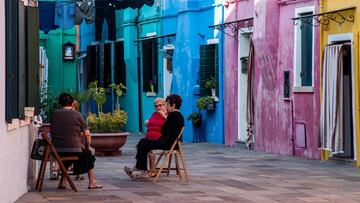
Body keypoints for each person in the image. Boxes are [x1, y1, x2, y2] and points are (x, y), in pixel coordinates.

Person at [124, 94, 184, 180]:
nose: (166, 107)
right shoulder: (179, 116)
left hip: (167, 144)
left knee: (143, 142)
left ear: (173, 105)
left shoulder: (173, 115)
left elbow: (164, 130)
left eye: (167, 104)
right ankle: (142, 171)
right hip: (170, 143)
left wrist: (164, 117)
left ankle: (141, 170)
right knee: (144, 143)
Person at [51, 93, 102, 189]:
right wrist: (87, 146)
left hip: (56, 151)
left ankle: (62, 182)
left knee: (66, 157)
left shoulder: (54, 114)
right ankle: (92, 183)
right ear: (72, 103)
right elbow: (87, 134)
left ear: (60, 103)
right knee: (89, 155)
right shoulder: (77, 115)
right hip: (74, 149)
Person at [144, 98, 167, 176]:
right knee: (142, 147)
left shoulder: (168, 115)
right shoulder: (154, 114)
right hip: (149, 138)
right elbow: (151, 122)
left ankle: (145, 170)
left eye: (160, 105)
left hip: (159, 140)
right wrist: (147, 122)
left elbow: (171, 125)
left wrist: (164, 115)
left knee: (143, 147)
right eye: (156, 106)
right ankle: (145, 170)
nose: (158, 108)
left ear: (165, 105)